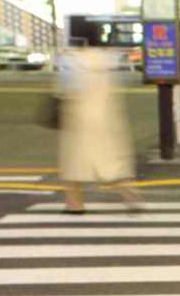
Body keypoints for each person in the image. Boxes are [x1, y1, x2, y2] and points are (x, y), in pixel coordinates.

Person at [57, 45, 143, 214]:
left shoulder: (72, 60)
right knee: (110, 159)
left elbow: (68, 87)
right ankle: (131, 195)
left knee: (75, 162)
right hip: (105, 115)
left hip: (79, 117)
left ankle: (75, 204)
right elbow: (123, 83)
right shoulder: (106, 59)